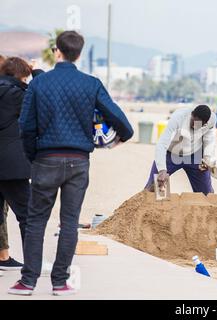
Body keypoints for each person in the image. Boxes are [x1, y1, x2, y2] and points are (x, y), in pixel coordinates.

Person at [8, 31, 134, 296]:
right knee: (69, 222)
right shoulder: (91, 83)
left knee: (36, 222)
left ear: (57, 51)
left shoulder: (39, 84)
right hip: (79, 162)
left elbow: (26, 126)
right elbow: (120, 120)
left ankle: (28, 281)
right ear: (79, 53)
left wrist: (33, 156)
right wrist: (119, 139)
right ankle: (60, 282)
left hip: (46, 158)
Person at [0, 57, 43, 271]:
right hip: (11, 166)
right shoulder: (19, 95)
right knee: (28, 215)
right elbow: (43, 94)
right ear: (22, 76)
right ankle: (33, 265)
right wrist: (36, 71)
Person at [144, 105, 217, 195]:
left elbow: (209, 137)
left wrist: (206, 157)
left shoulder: (212, 119)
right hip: (171, 154)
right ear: (192, 115)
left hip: (195, 155)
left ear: (205, 123)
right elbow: (162, 143)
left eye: (199, 125)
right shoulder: (178, 118)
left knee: (206, 193)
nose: (195, 126)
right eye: (193, 122)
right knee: (153, 190)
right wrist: (162, 170)